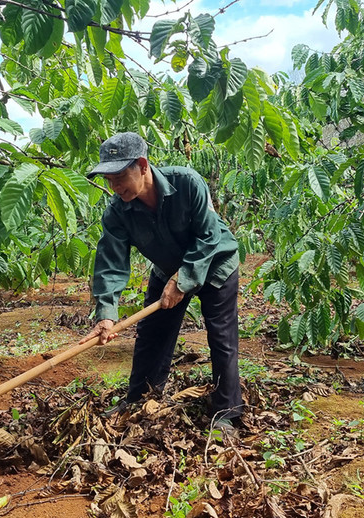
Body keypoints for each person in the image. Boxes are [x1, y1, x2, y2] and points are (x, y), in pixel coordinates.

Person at [79, 132, 243, 432]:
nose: (115, 187)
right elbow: (111, 263)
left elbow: (209, 236)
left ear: (143, 166)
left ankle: (226, 411)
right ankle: (139, 399)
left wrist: (183, 280)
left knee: (222, 337)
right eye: (109, 180)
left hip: (216, 263)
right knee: (151, 335)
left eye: (120, 177)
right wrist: (106, 314)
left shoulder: (187, 183)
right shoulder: (117, 212)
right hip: (166, 268)